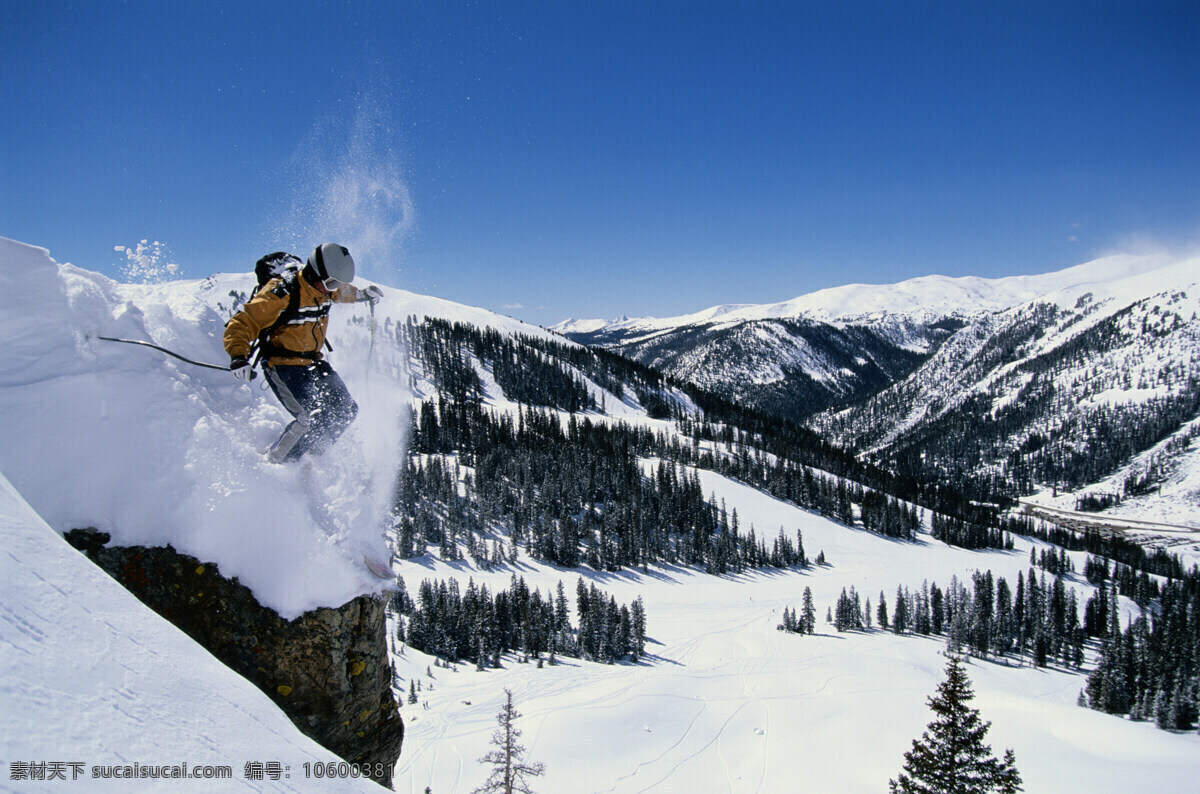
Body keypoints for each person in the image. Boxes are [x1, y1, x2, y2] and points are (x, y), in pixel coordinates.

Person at [224, 243, 382, 463]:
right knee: (308, 418)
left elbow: (340, 293)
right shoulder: (281, 292)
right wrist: (238, 357)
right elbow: (242, 323)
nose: (332, 288)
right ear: (314, 272)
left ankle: (311, 457)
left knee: (346, 409)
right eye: (331, 283)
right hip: (282, 363)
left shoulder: (326, 287)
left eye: (337, 284)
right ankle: (276, 463)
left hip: (312, 361)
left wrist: (362, 295)